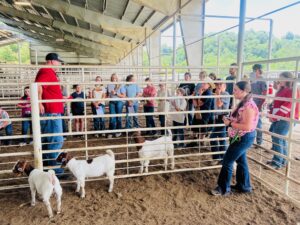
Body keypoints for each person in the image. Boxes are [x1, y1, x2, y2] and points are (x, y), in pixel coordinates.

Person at [211, 81, 259, 196]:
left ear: (243, 91)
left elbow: (247, 126)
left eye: (236, 90)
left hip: (243, 137)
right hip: (239, 136)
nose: (233, 92)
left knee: (227, 161)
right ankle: (244, 186)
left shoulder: (249, 106)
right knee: (241, 161)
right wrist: (230, 120)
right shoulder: (243, 103)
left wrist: (230, 124)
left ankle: (223, 189)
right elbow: (241, 120)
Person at [35, 52, 64, 174]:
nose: (59, 64)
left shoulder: (48, 72)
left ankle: (48, 170)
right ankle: (55, 172)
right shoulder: (47, 71)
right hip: (51, 113)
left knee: (49, 142)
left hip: (51, 112)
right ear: (52, 61)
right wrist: (40, 102)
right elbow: (37, 86)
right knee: (55, 141)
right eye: (58, 61)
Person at [267, 72, 298, 170]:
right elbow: (276, 103)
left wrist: (275, 116)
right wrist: (272, 113)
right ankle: (281, 160)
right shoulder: (282, 89)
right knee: (278, 137)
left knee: (278, 138)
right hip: (280, 117)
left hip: (286, 118)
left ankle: (277, 162)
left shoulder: (292, 90)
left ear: (287, 79)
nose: (279, 79)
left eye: (281, 78)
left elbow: (287, 106)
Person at [210, 79, 230, 161]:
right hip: (217, 118)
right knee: (221, 138)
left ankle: (218, 158)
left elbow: (219, 104)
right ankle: (222, 158)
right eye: (217, 85)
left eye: (220, 85)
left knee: (215, 137)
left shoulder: (225, 94)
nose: (218, 86)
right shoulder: (217, 94)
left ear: (224, 86)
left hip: (222, 118)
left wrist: (218, 95)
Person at [191, 77, 215, 141]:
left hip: (205, 112)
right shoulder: (205, 91)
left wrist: (199, 94)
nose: (202, 84)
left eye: (205, 83)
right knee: (196, 125)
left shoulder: (208, 93)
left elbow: (199, 103)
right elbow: (196, 102)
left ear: (209, 85)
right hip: (200, 111)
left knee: (202, 127)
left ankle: (201, 141)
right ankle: (197, 140)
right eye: (203, 83)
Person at [250, 64, 267, 147]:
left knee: (258, 123)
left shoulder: (262, 80)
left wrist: (260, 105)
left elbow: (264, 93)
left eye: (255, 70)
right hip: (252, 102)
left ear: (259, 70)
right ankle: (252, 140)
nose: (254, 71)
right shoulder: (253, 79)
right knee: (252, 121)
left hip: (258, 103)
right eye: (254, 70)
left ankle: (259, 141)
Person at [107, 73, 126, 138]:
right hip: (112, 101)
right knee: (112, 117)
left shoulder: (121, 85)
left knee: (118, 116)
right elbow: (108, 94)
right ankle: (111, 131)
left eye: (115, 77)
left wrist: (116, 93)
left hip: (119, 101)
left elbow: (123, 96)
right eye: (113, 77)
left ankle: (118, 131)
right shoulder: (109, 84)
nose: (114, 78)